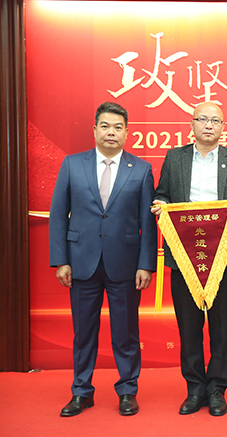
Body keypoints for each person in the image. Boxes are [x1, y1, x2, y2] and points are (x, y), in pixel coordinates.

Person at [49, 102, 157, 417]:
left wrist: (145, 264)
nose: (112, 132)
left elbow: (147, 222)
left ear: (127, 132)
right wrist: (61, 260)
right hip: (81, 262)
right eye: (106, 126)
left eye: (118, 127)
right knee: (84, 333)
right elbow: (58, 215)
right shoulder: (72, 164)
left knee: (126, 333)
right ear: (95, 129)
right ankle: (81, 391)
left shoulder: (141, 169)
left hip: (125, 264)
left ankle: (127, 390)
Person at [152, 101, 227, 416]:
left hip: (223, 256)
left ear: (223, 127)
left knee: (222, 327)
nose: (209, 125)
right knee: (189, 325)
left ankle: (218, 389)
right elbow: (162, 194)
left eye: (215, 121)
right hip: (185, 254)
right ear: (192, 124)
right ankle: (195, 388)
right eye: (203, 119)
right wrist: (159, 204)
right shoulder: (175, 157)